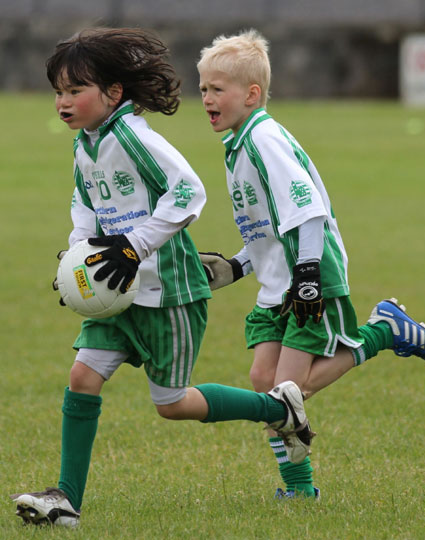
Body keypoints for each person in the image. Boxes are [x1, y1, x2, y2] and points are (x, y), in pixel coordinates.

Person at [11, 27, 315, 528]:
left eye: (75, 90)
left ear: (113, 94)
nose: (63, 102)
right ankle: (66, 499)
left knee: (171, 404)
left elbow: (189, 191)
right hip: (117, 291)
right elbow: (84, 203)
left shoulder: (133, 137)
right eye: (58, 92)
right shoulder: (85, 145)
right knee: (82, 377)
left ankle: (278, 411)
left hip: (169, 292)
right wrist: (78, 259)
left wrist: (135, 246)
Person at [196, 29, 425, 500]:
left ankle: (384, 333)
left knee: (288, 391)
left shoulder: (263, 139)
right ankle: (298, 489)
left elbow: (307, 210)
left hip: (309, 275)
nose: (206, 98)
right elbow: (270, 229)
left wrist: (309, 275)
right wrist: (237, 265)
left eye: (217, 89)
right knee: (263, 383)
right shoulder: (239, 144)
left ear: (251, 94)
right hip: (279, 281)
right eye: (204, 88)